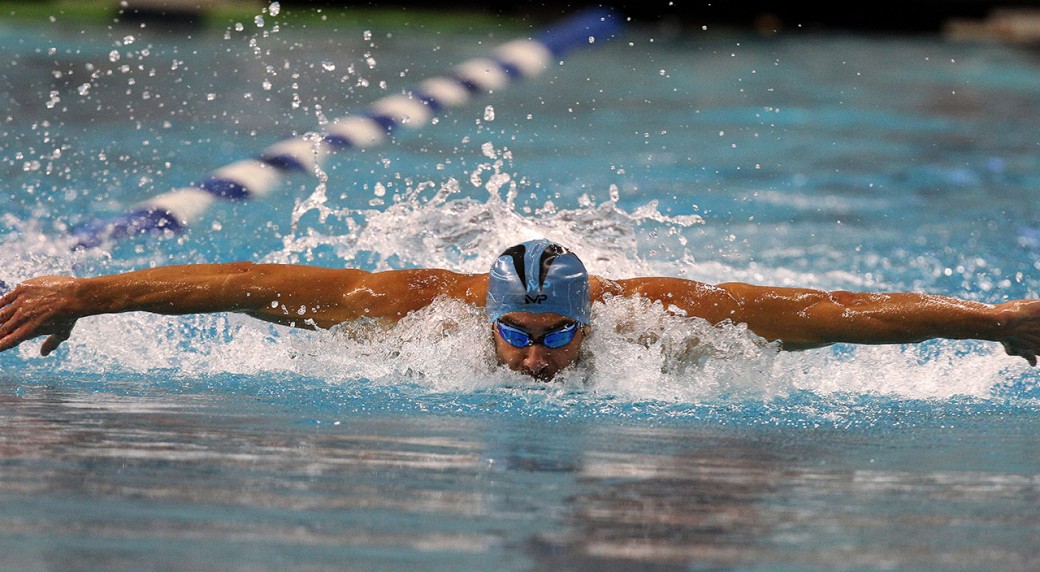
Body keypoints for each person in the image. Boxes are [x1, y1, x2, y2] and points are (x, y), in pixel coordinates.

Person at [2, 238, 1040, 380]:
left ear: (588, 319)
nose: (537, 359)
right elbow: (249, 287)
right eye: (519, 333)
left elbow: (831, 308)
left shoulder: (656, 316)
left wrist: (993, 319)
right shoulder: (410, 309)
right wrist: (89, 291)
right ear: (487, 317)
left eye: (556, 334)